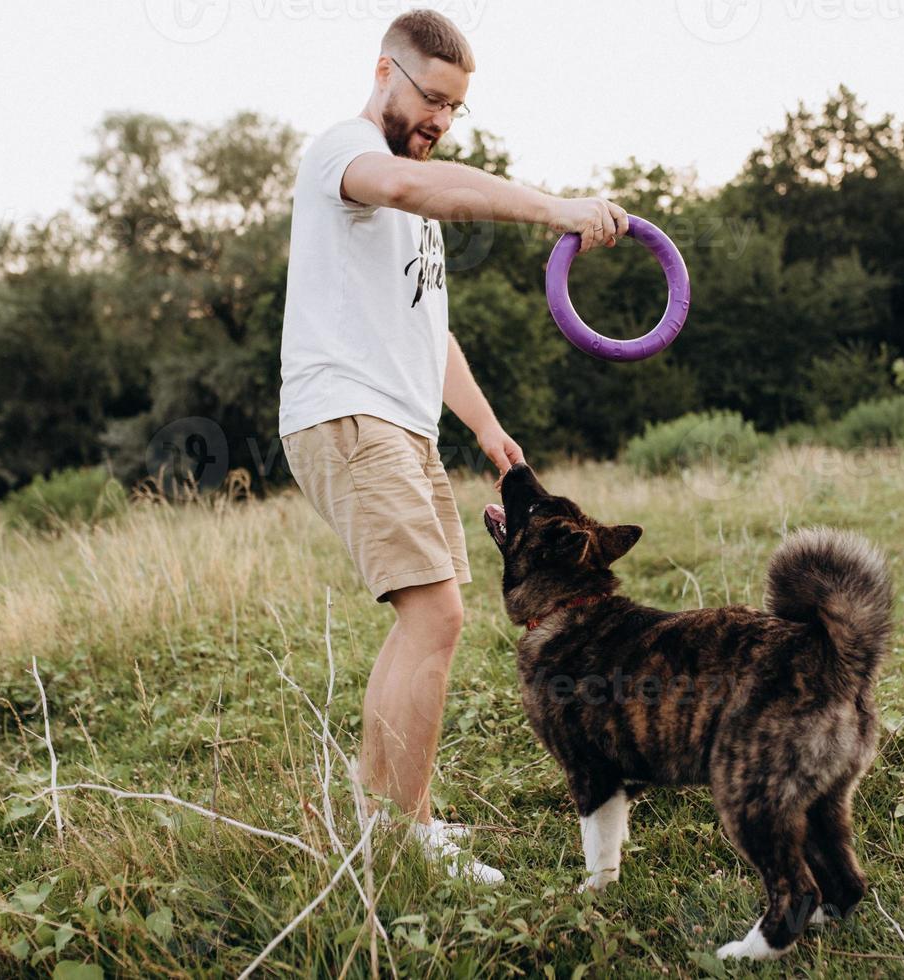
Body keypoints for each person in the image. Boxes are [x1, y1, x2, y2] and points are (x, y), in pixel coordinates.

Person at [278, 8, 628, 883]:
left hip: (402, 418)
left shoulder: (413, 202)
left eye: (455, 107)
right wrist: (554, 209)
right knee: (436, 616)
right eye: (431, 97)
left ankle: (388, 817)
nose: (439, 118)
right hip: (349, 413)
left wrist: (483, 425)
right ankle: (408, 838)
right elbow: (409, 188)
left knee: (421, 621)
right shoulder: (344, 151)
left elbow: (428, 331)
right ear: (385, 73)